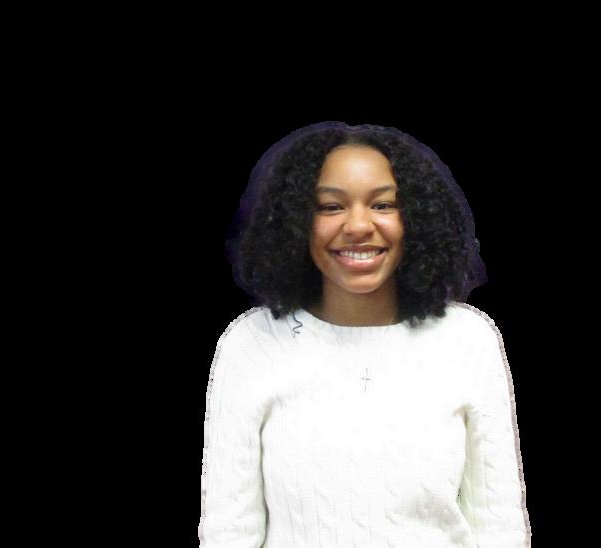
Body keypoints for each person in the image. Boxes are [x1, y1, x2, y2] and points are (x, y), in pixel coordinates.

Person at [199, 122, 531, 547]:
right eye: (330, 207)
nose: (358, 225)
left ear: (416, 218)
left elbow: (499, 526)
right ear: (297, 222)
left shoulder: (468, 341)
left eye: (383, 204)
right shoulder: (252, 345)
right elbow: (228, 533)